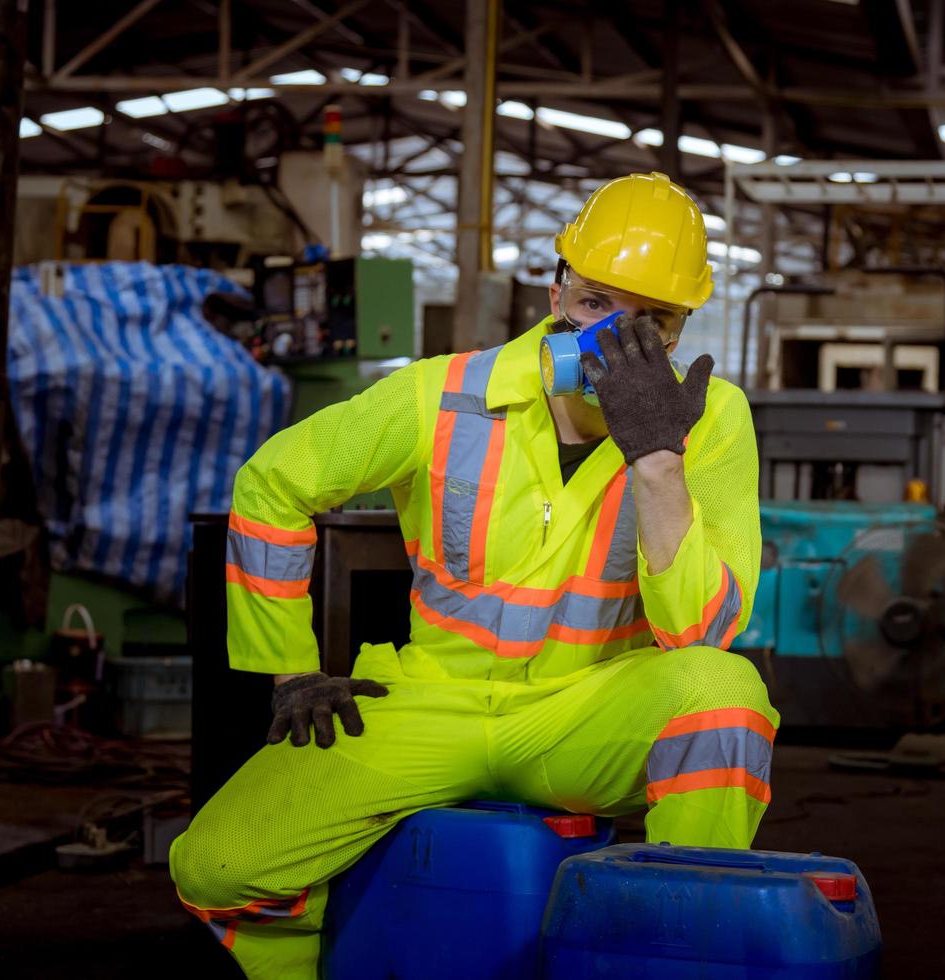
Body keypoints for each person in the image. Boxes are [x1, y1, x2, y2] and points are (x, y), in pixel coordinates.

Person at [169, 171, 778, 978]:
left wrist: (658, 461)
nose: (615, 341)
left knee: (724, 695)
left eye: (652, 321)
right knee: (214, 864)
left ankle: (668, 954)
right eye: (597, 304)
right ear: (558, 289)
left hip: (587, 713)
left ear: (682, 327)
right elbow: (273, 483)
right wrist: (288, 666)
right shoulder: (441, 395)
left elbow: (702, 633)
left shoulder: (712, 418)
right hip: (430, 704)